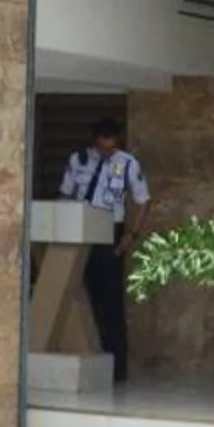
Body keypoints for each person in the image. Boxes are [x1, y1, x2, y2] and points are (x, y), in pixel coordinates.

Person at [60, 117, 149, 385]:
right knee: (76, 294)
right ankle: (83, 351)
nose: (107, 153)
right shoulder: (79, 160)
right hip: (79, 229)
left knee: (110, 300)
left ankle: (116, 365)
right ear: (95, 142)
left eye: (112, 148)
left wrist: (130, 235)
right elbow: (65, 194)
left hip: (110, 230)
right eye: (103, 148)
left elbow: (143, 201)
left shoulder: (127, 163)